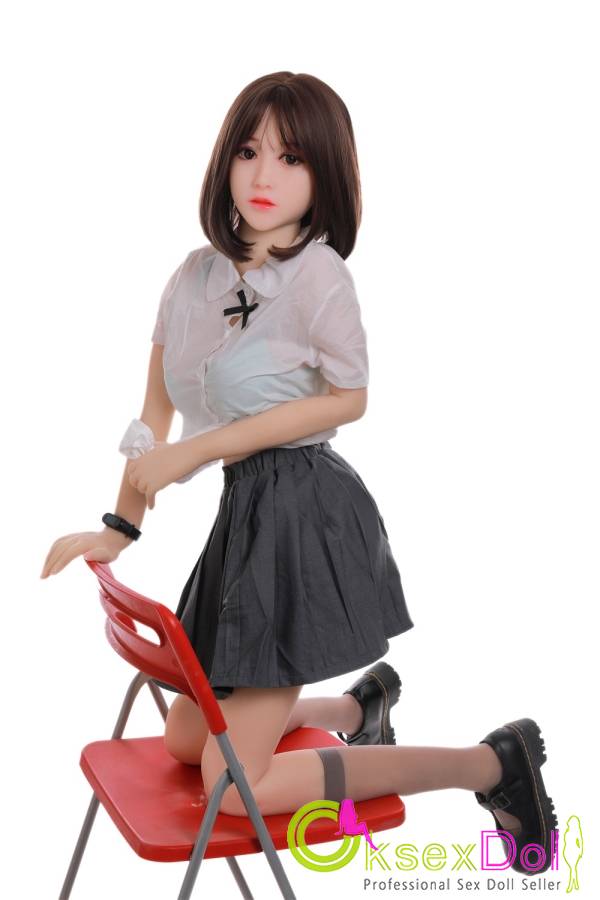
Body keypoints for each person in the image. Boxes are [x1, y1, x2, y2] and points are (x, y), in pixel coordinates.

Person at [40, 71, 556, 875]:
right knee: (184, 738)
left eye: (291, 158)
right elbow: (155, 415)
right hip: (245, 513)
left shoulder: (320, 277)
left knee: (232, 784)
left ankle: (489, 763)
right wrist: (119, 527)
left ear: (325, 175)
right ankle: (358, 707)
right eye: (248, 151)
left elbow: (350, 399)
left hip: (304, 514)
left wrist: (204, 448)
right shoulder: (193, 277)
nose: (264, 176)